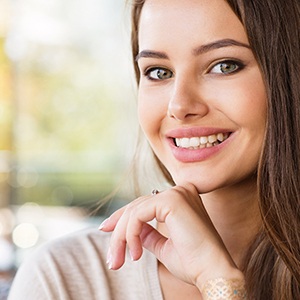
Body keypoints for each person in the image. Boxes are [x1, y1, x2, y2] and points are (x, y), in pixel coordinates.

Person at [8, 0, 300, 299]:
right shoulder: (62, 279)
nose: (179, 105)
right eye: (159, 72)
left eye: (224, 66)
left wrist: (219, 281)